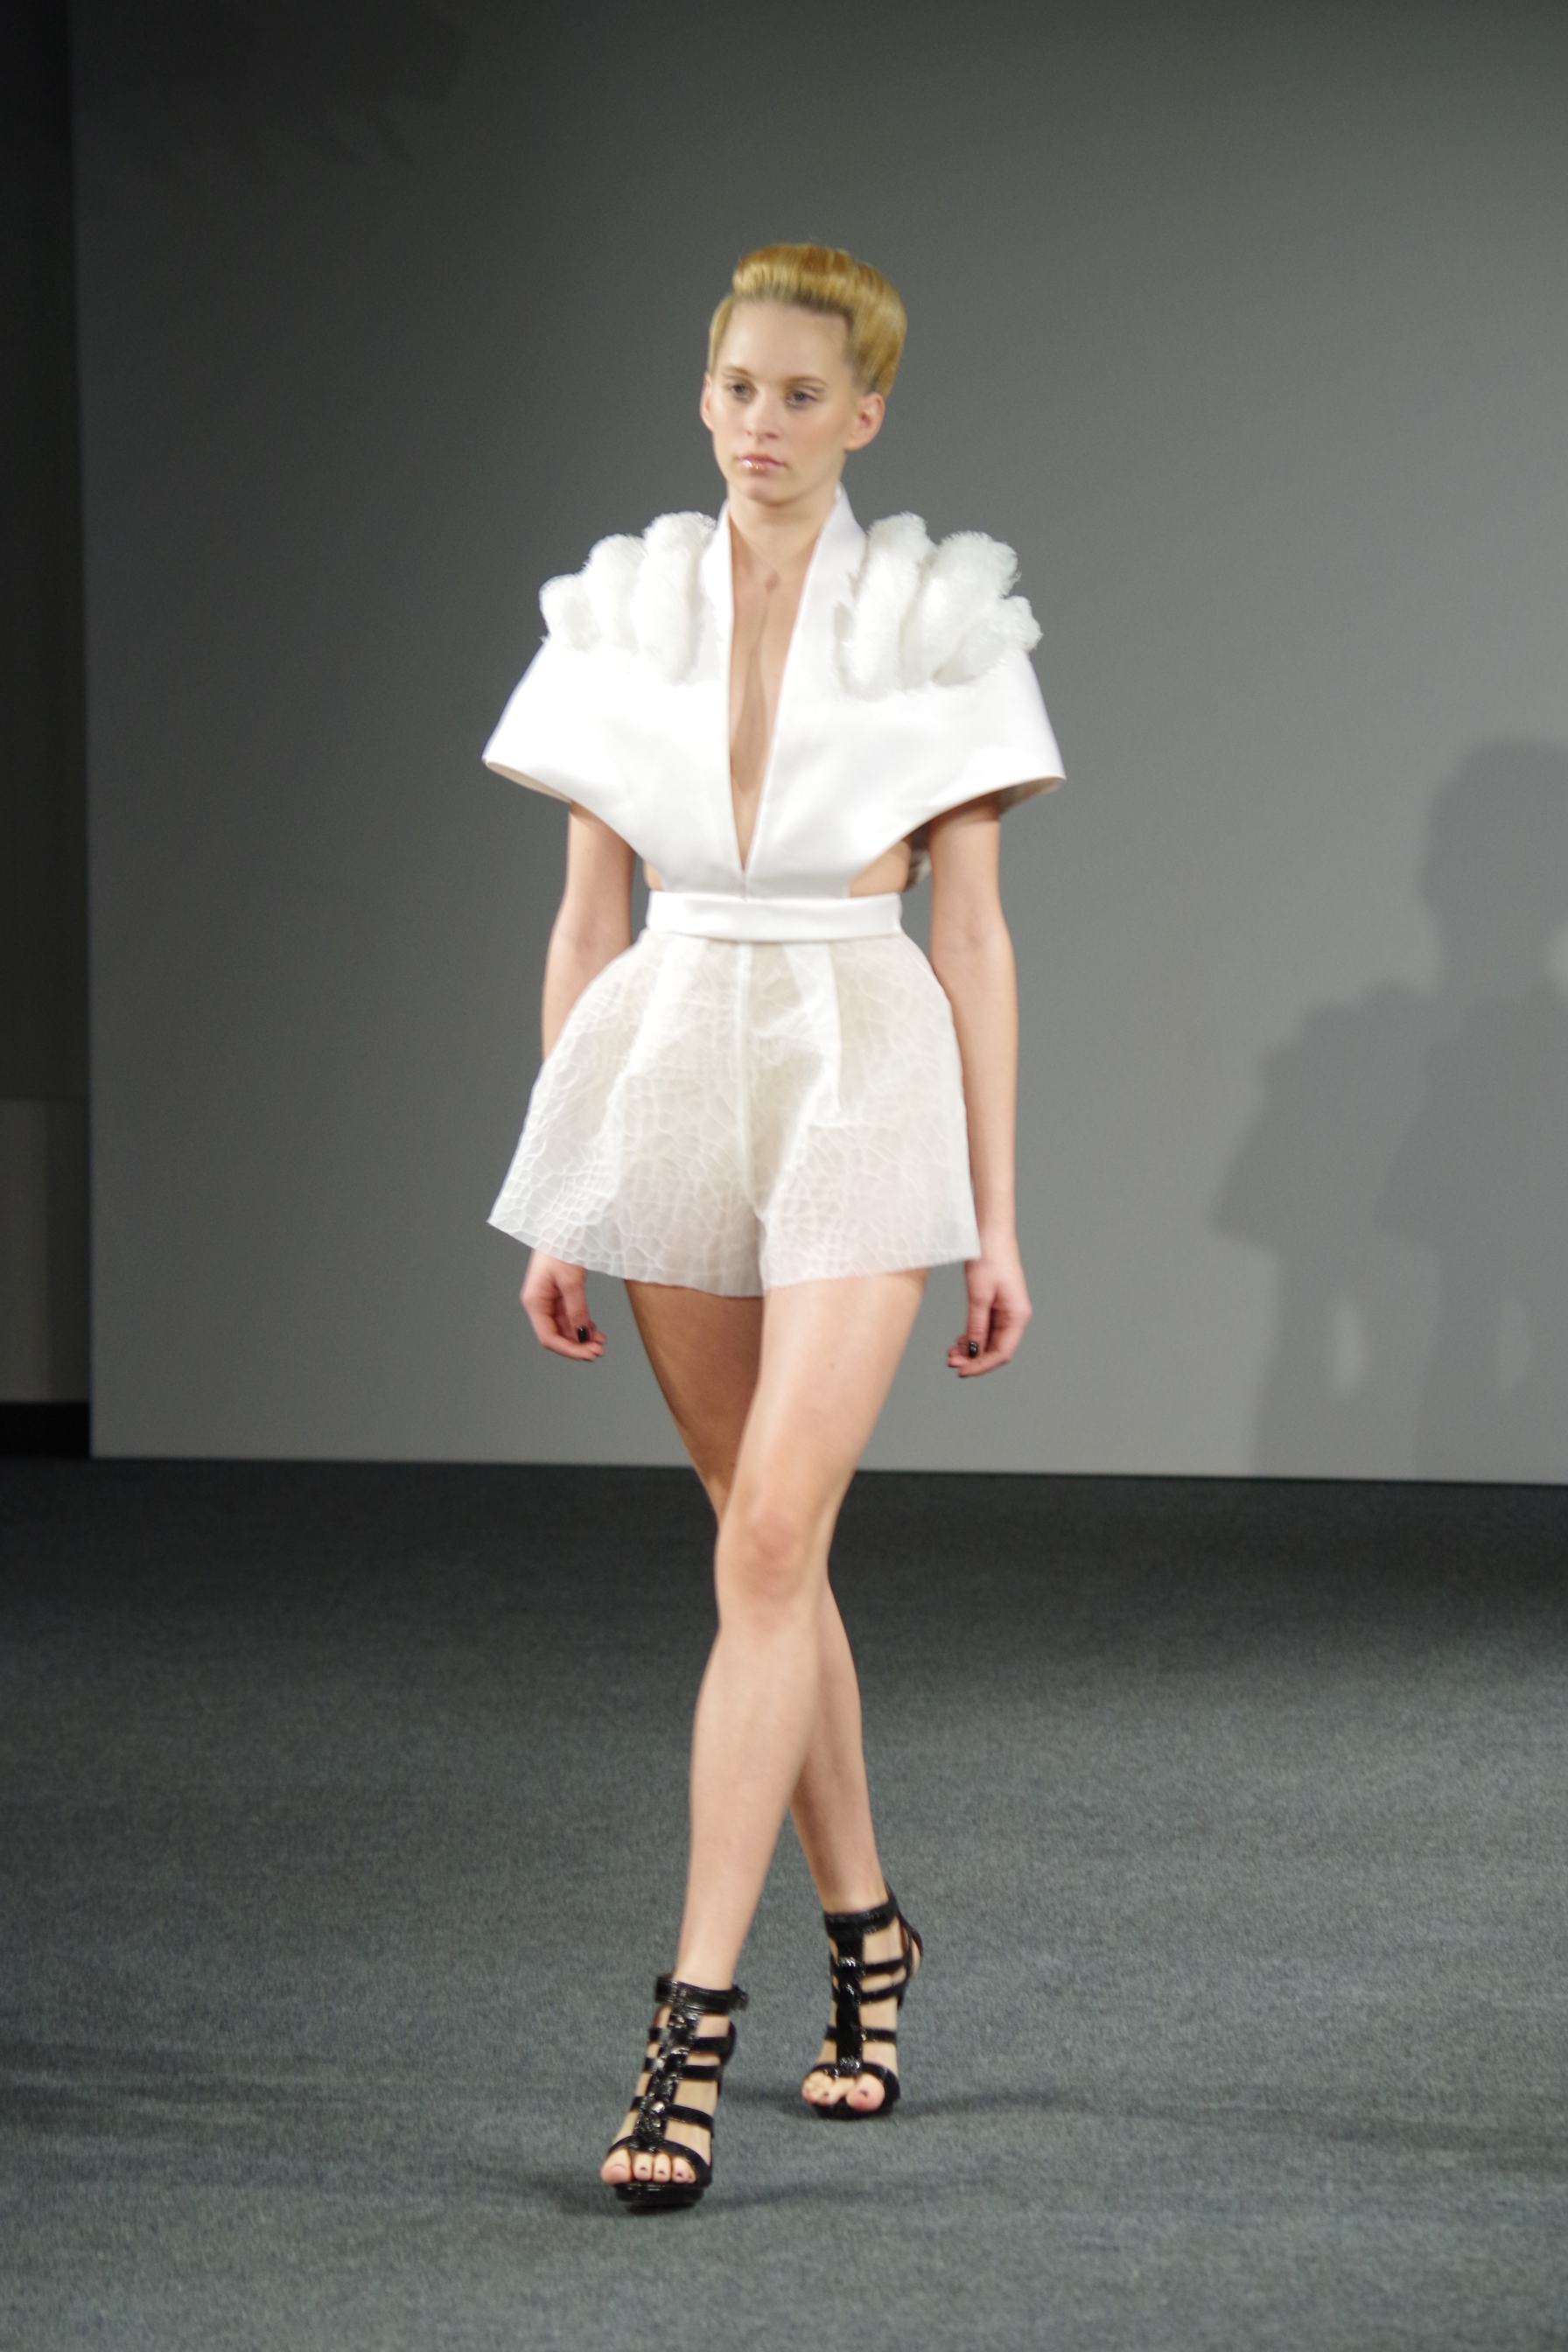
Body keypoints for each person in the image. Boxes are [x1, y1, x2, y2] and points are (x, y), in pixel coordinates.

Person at [484, 244, 1063, 2209]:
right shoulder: (621, 614)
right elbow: (586, 916)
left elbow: (972, 935)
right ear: (704, 391)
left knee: (761, 1541)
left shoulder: (942, 626)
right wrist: (562, 1185)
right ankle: (871, 1932)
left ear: (866, 412)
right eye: (738, 385)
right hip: (669, 1049)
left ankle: (685, 2030)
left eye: (802, 393)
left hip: (860, 1051)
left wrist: (995, 1219)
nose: (761, 421)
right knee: (767, 1549)